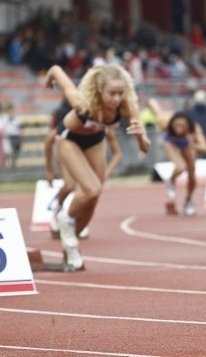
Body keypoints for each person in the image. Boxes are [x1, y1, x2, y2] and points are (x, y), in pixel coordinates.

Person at [44, 64, 150, 270]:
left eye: (120, 93)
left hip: (95, 141)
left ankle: (70, 245)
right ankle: (65, 220)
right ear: (99, 91)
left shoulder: (127, 106)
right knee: (91, 188)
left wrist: (141, 136)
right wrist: (50, 78)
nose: (116, 99)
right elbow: (58, 71)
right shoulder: (83, 104)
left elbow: (145, 148)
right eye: (111, 93)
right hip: (68, 139)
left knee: (93, 198)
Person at [45, 98, 123, 240]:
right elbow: (49, 141)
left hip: (88, 158)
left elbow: (118, 153)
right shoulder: (76, 122)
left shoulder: (105, 128)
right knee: (69, 185)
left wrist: (106, 173)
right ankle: (57, 210)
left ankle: (76, 221)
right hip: (69, 151)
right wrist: (49, 170)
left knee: (90, 191)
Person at [147, 98, 206, 216]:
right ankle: (171, 181)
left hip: (187, 145)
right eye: (177, 125)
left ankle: (189, 200)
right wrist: (152, 102)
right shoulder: (165, 122)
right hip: (170, 142)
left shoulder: (194, 129)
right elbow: (157, 111)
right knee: (181, 167)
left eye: (182, 126)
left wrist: (193, 144)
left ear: (187, 126)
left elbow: (205, 148)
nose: (179, 128)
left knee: (192, 175)